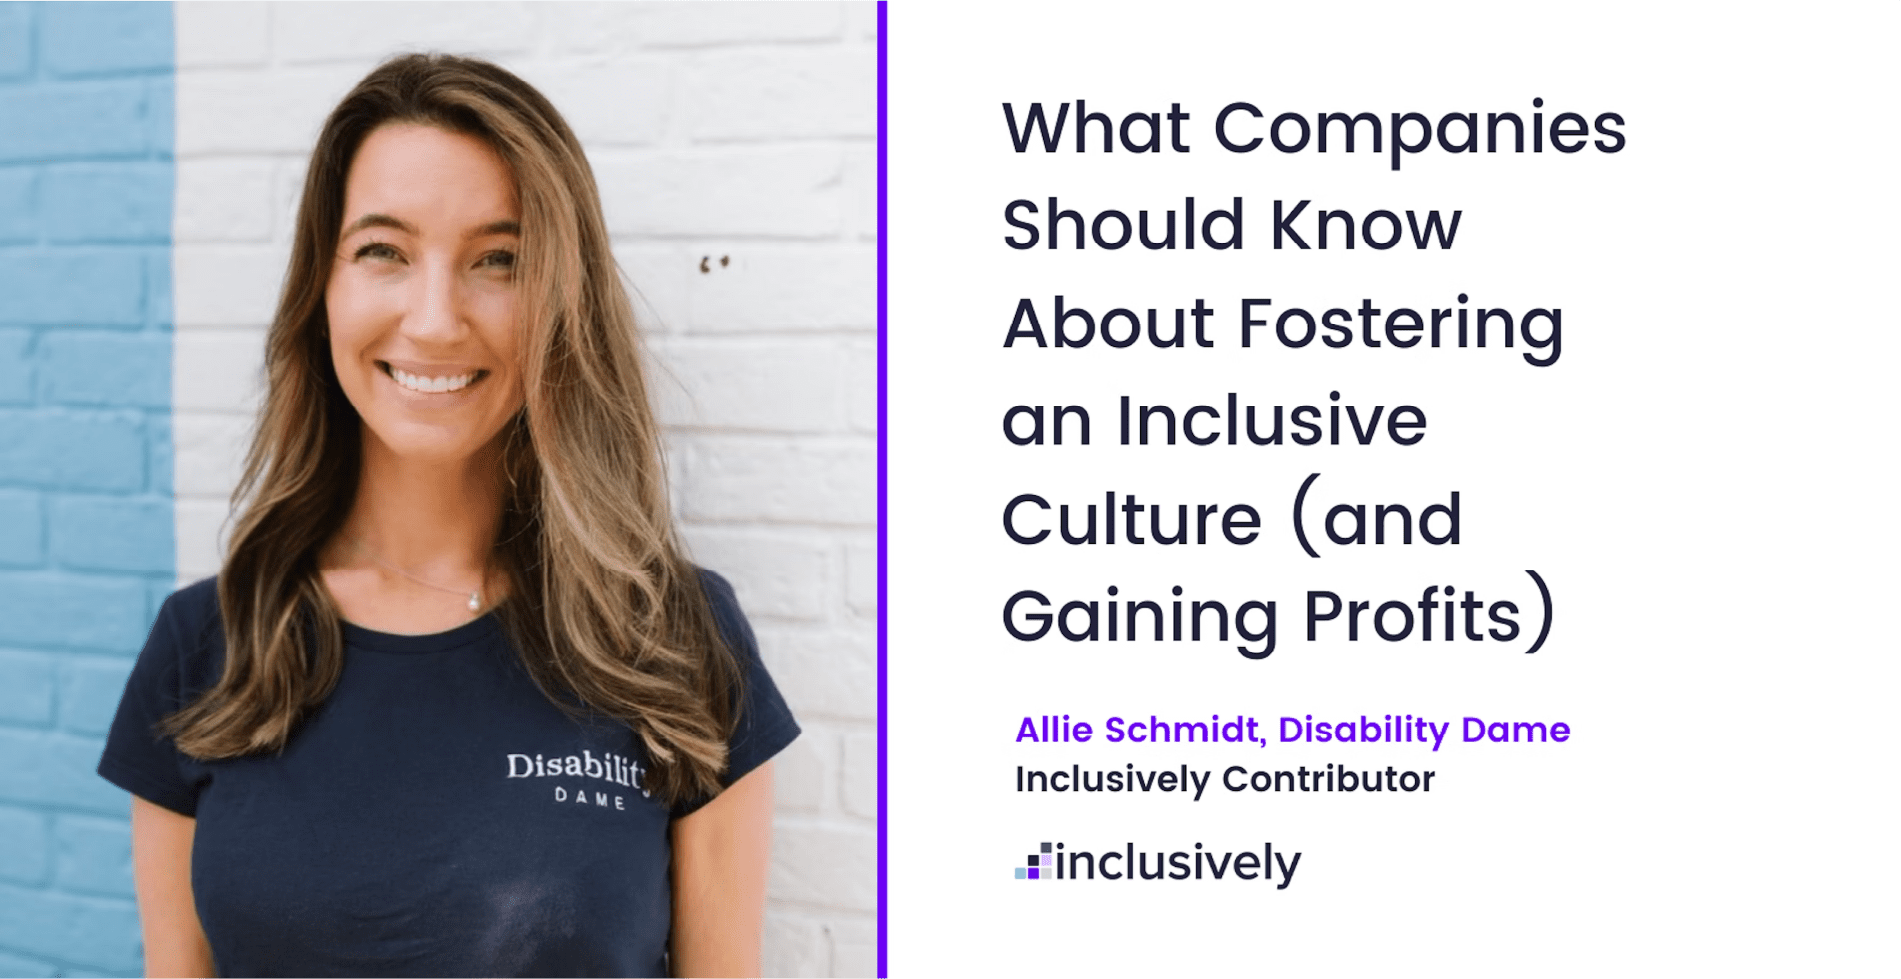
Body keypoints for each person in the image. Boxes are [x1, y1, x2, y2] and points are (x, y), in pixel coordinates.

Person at [97, 53, 798, 978]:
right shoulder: (210, 645)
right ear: (324, 288)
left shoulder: (674, 640)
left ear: (560, 305)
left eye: (498, 260)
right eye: (382, 250)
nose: (433, 320)